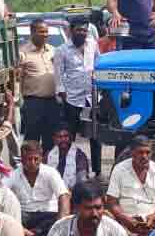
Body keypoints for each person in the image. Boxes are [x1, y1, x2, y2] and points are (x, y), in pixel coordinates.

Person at [53, 17, 102, 173]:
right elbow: (58, 74)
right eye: (78, 30)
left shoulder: (92, 45)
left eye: (84, 30)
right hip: (72, 99)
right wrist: (62, 93)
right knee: (70, 136)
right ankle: (67, 167)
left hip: (92, 97)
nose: (82, 33)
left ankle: (97, 170)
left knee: (95, 135)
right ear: (71, 31)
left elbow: (98, 64)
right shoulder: (62, 50)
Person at [105, 135, 155, 236]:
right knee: (105, 217)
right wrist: (125, 218)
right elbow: (112, 202)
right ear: (132, 153)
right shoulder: (119, 169)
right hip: (125, 222)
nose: (144, 156)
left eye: (148, 152)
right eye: (140, 152)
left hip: (153, 222)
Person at [4, 140, 69, 236]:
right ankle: (36, 235)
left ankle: (30, 235)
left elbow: (64, 196)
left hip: (47, 214)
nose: (33, 163)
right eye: (29, 159)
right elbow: (1, 193)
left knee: (63, 219)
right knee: (8, 219)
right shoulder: (13, 175)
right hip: (24, 216)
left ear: (41, 158)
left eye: (36, 159)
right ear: (22, 159)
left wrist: (61, 223)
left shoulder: (51, 172)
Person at [18, 18, 58, 151]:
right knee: (32, 140)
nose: (45, 34)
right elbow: (18, 79)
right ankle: (29, 168)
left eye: (46, 32)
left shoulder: (53, 51)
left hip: (52, 102)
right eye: (41, 31)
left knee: (51, 140)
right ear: (32, 32)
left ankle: (49, 168)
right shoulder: (23, 53)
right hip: (33, 104)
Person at [45, 125, 91, 190]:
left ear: (70, 138)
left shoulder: (79, 156)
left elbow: (82, 181)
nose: (63, 139)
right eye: (60, 137)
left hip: (72, 194)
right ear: (54, 139)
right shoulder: (49, 154)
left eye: (66, 136)